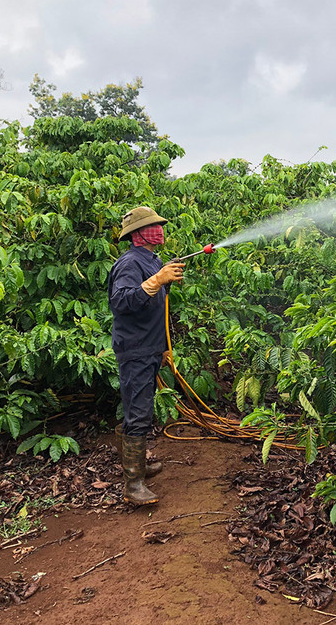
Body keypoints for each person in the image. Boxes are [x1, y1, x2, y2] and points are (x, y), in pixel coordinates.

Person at [108, 206, 185, 505]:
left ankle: (136, 466)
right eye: (154, 226)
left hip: (150, 348)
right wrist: (156, 280)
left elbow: (159, 311)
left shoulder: (152, 260)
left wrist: (164, 346)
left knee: (140, 408)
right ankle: (133, 484)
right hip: (135, 350)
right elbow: (121, 301)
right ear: (139, 234)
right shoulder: (129, 263)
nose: (161, 229)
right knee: (138, 413)